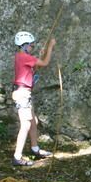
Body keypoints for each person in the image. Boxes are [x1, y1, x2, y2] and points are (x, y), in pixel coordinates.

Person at [11, 31, 56, 166]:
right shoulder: (24, 57)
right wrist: (50, 47)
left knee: (33, 122)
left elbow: (32, 70)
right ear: (24, 45)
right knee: (25, 125)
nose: (32, 47)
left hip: (24, 93)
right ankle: (17, 157)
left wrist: (35, 66)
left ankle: (35, 149)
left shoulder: (21, 57)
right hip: (22, 94)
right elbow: (45, 62)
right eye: (31, 45)